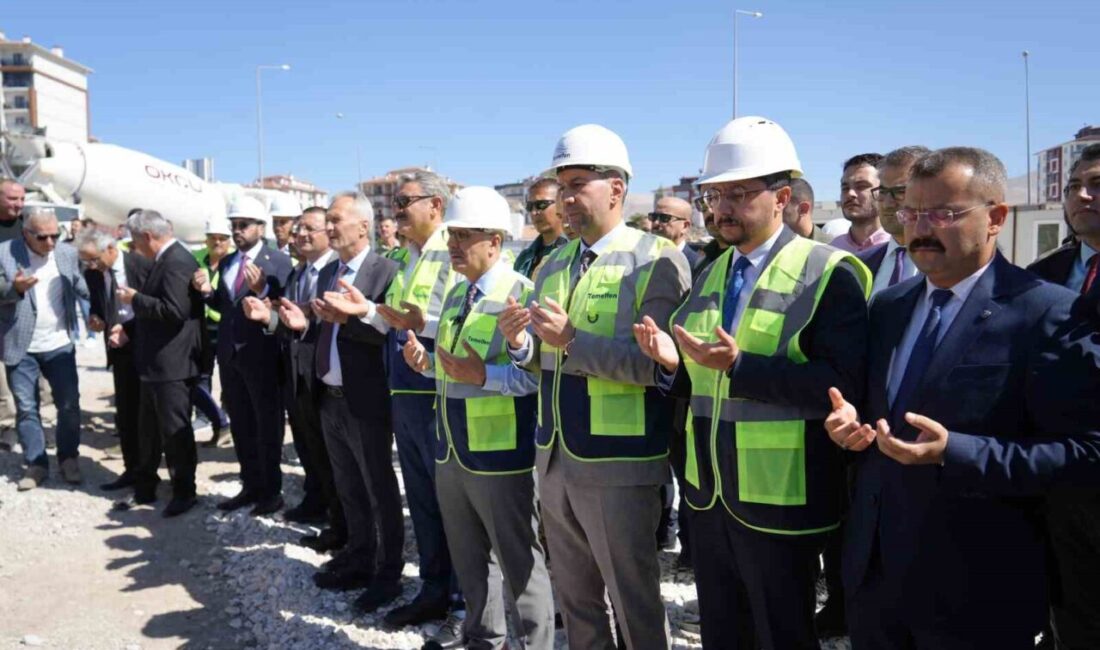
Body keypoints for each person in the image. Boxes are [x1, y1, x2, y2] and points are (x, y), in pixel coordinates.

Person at [825, 146, 1100, 649]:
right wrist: (851, 425)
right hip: (878, 578)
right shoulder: (889, 307)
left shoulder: (1048, 313)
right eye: (910, 213)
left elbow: (1084, 453)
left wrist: (956, 451)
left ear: (995, 218)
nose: (920, 228)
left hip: (978, 589)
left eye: (944, 214)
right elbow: (883, 410)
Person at [635, 116, 870, 650]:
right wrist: (672, 364)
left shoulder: (830, 271)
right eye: (714, 195)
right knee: (724, 631)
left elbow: (842, 383)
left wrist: (741, 367)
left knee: (781, 633)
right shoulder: (713, 271)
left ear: (782, 196)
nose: (722, 209)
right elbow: (701, 381)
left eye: (739, 194)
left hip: (782, 494)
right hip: (710, 494)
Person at [499, 124, 690, 649]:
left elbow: (658, 366)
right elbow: (544, 357)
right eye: (562, 186)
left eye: (578, 183)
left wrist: (571, 341)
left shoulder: (655, 259)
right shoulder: (554, 261)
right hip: (556, 459)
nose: (565, 198)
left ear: (617, 189)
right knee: (577, 603)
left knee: (634, 605)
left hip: (619, 464)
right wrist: (521, 346)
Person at [403, 186, 554, 650]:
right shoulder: (455, 296)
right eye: (451, 235)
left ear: (495, 241)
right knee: (470, 563)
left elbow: (534, 379)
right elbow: (453, 371)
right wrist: (425, 364)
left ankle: (536, 644)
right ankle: (485, 639)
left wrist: (483, 374)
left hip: (501, 458)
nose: (452, 246)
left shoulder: (523, 295)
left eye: (463, 236)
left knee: (520, 565)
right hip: (452, 453)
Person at [269, 193, 404, 614]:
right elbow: (327, 327)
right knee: (349, 487)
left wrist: (353, 316)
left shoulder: (387, 272)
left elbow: (389, 332)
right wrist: (304, 324)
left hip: (366, 401)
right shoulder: (334, 272)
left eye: (335, 220)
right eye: (326, 220)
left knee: (379, 490)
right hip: (330, 398)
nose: (328, 228)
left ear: (363, 226)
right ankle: (359, 556)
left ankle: (388, 573)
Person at [374, 170, 464, 637]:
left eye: (406, 201)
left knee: (452, 505)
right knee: (423, 503)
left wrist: (418, 324)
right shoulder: (406, 258)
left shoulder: (454, 252)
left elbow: (460, 322)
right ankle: (432, 589)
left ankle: (465, 602)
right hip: (405, 394)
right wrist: (363, 311)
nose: (397, 210)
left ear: (436, 205)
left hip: (437, 393)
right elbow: (395, 319)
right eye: (395, 201)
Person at [1026, 142, 1100, 648]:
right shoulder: (1043, 275)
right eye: (1074, 187)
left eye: (1096, 185)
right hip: (1053, 471)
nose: (1083, 196)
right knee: (1066, 605)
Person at [245, 207, 345, 543]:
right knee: (307, 445)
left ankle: (341, 519)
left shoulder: (336, 272)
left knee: (332, 453)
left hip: (323, 374)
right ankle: (317, 501)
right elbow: (288, 322)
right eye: (298, 228)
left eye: (309, 229)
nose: (300, 235)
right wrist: (266, 313)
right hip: (295, 373)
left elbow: (329, 323)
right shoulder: (298, 273)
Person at [193, 195, 292, 516]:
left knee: (267, 426)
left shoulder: (277, 261)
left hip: (262, 357)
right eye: (233, 225)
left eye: (243, 225)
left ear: (260, 227)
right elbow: (226, 307)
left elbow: (286, 305)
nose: (236, 231)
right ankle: (250, 485)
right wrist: (207, 293)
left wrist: (264, 290)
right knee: (242, 425)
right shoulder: (226, 262)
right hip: (231, 358)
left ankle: (270, 491)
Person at [111, 210, 204, 517]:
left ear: (148, 237)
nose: (133, 248)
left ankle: (184, 491)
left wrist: (134, 299)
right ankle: (145, 487)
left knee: (174, 432)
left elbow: (175, 311)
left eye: (135, 241)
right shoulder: (164, 259)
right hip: (155, 362)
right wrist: (129, 329)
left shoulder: (177, 260)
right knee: (148, 430)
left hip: (173, 364)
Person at [0, 208, 88, 490]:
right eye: (42, 237)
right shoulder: (4, 252)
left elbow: (81, 286)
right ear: (26, 234)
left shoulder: (66, 253)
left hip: (58, 344)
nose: (50, 243)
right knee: (26, 408)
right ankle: (36, 464)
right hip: (20, 345)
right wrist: (14, 288)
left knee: (69, 404)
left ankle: (68, 457)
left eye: (55, 235)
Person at [76, 229, 153, 491]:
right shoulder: (93, 275)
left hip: (147, 348)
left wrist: (129, 331)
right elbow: (100, 307)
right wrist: (97, 320)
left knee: (149, 415)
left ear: (110, 249)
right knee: (127, 414)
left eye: (94, 259)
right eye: (86, 261)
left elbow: (155, 306)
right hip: (118, 351)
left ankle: (152, 475)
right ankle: (132, 470)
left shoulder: (140, 265)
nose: (91, 265)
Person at [859, 146, 931, 295]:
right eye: (883, 192)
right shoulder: (861, 265)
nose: (887, 203)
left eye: (900, 192)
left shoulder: (954, 264)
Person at [191, 218, 232, 447]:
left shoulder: (235, 261)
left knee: (228, 376)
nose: (217, 242)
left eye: (222, 238)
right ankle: (207, 417)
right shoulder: (196, 259)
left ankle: (227, 420)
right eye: (212, 237)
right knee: (200, 375)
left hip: (225, 327)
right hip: (201, 327)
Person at [0, 178, 27, 449]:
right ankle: (6, 425)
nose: (18, 205)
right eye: (12, 199)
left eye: (22, 199)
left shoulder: (29, 226)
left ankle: (36, 423)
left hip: (26, 307)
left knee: (32, 370)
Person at [830, 153, 890, 253]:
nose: (850, 193)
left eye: (861, 186)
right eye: (845, 188)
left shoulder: (898, 248)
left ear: (883, 191)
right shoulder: (832, 250)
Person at [514, 179, 569, 280]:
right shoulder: (524, 258)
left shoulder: (576, 251)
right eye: (530, 207)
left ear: (561, 204)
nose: (534, 212)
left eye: (542, 205)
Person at [651, 196, 701, 269]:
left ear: (685, 226)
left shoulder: (696, 265)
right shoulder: (644, 259)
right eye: (653, 217)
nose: (655, 223)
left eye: (664, 218)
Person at [782, 178, 830, 242]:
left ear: (803, 209)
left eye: (782, 209)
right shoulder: (773, 247)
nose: (776, 214)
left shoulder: (832, 247)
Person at [269, 193, 302, 258]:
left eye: (283, 222)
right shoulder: (268, 249)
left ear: (296, 222)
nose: (277, 227)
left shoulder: (303, 253)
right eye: (275, 222)